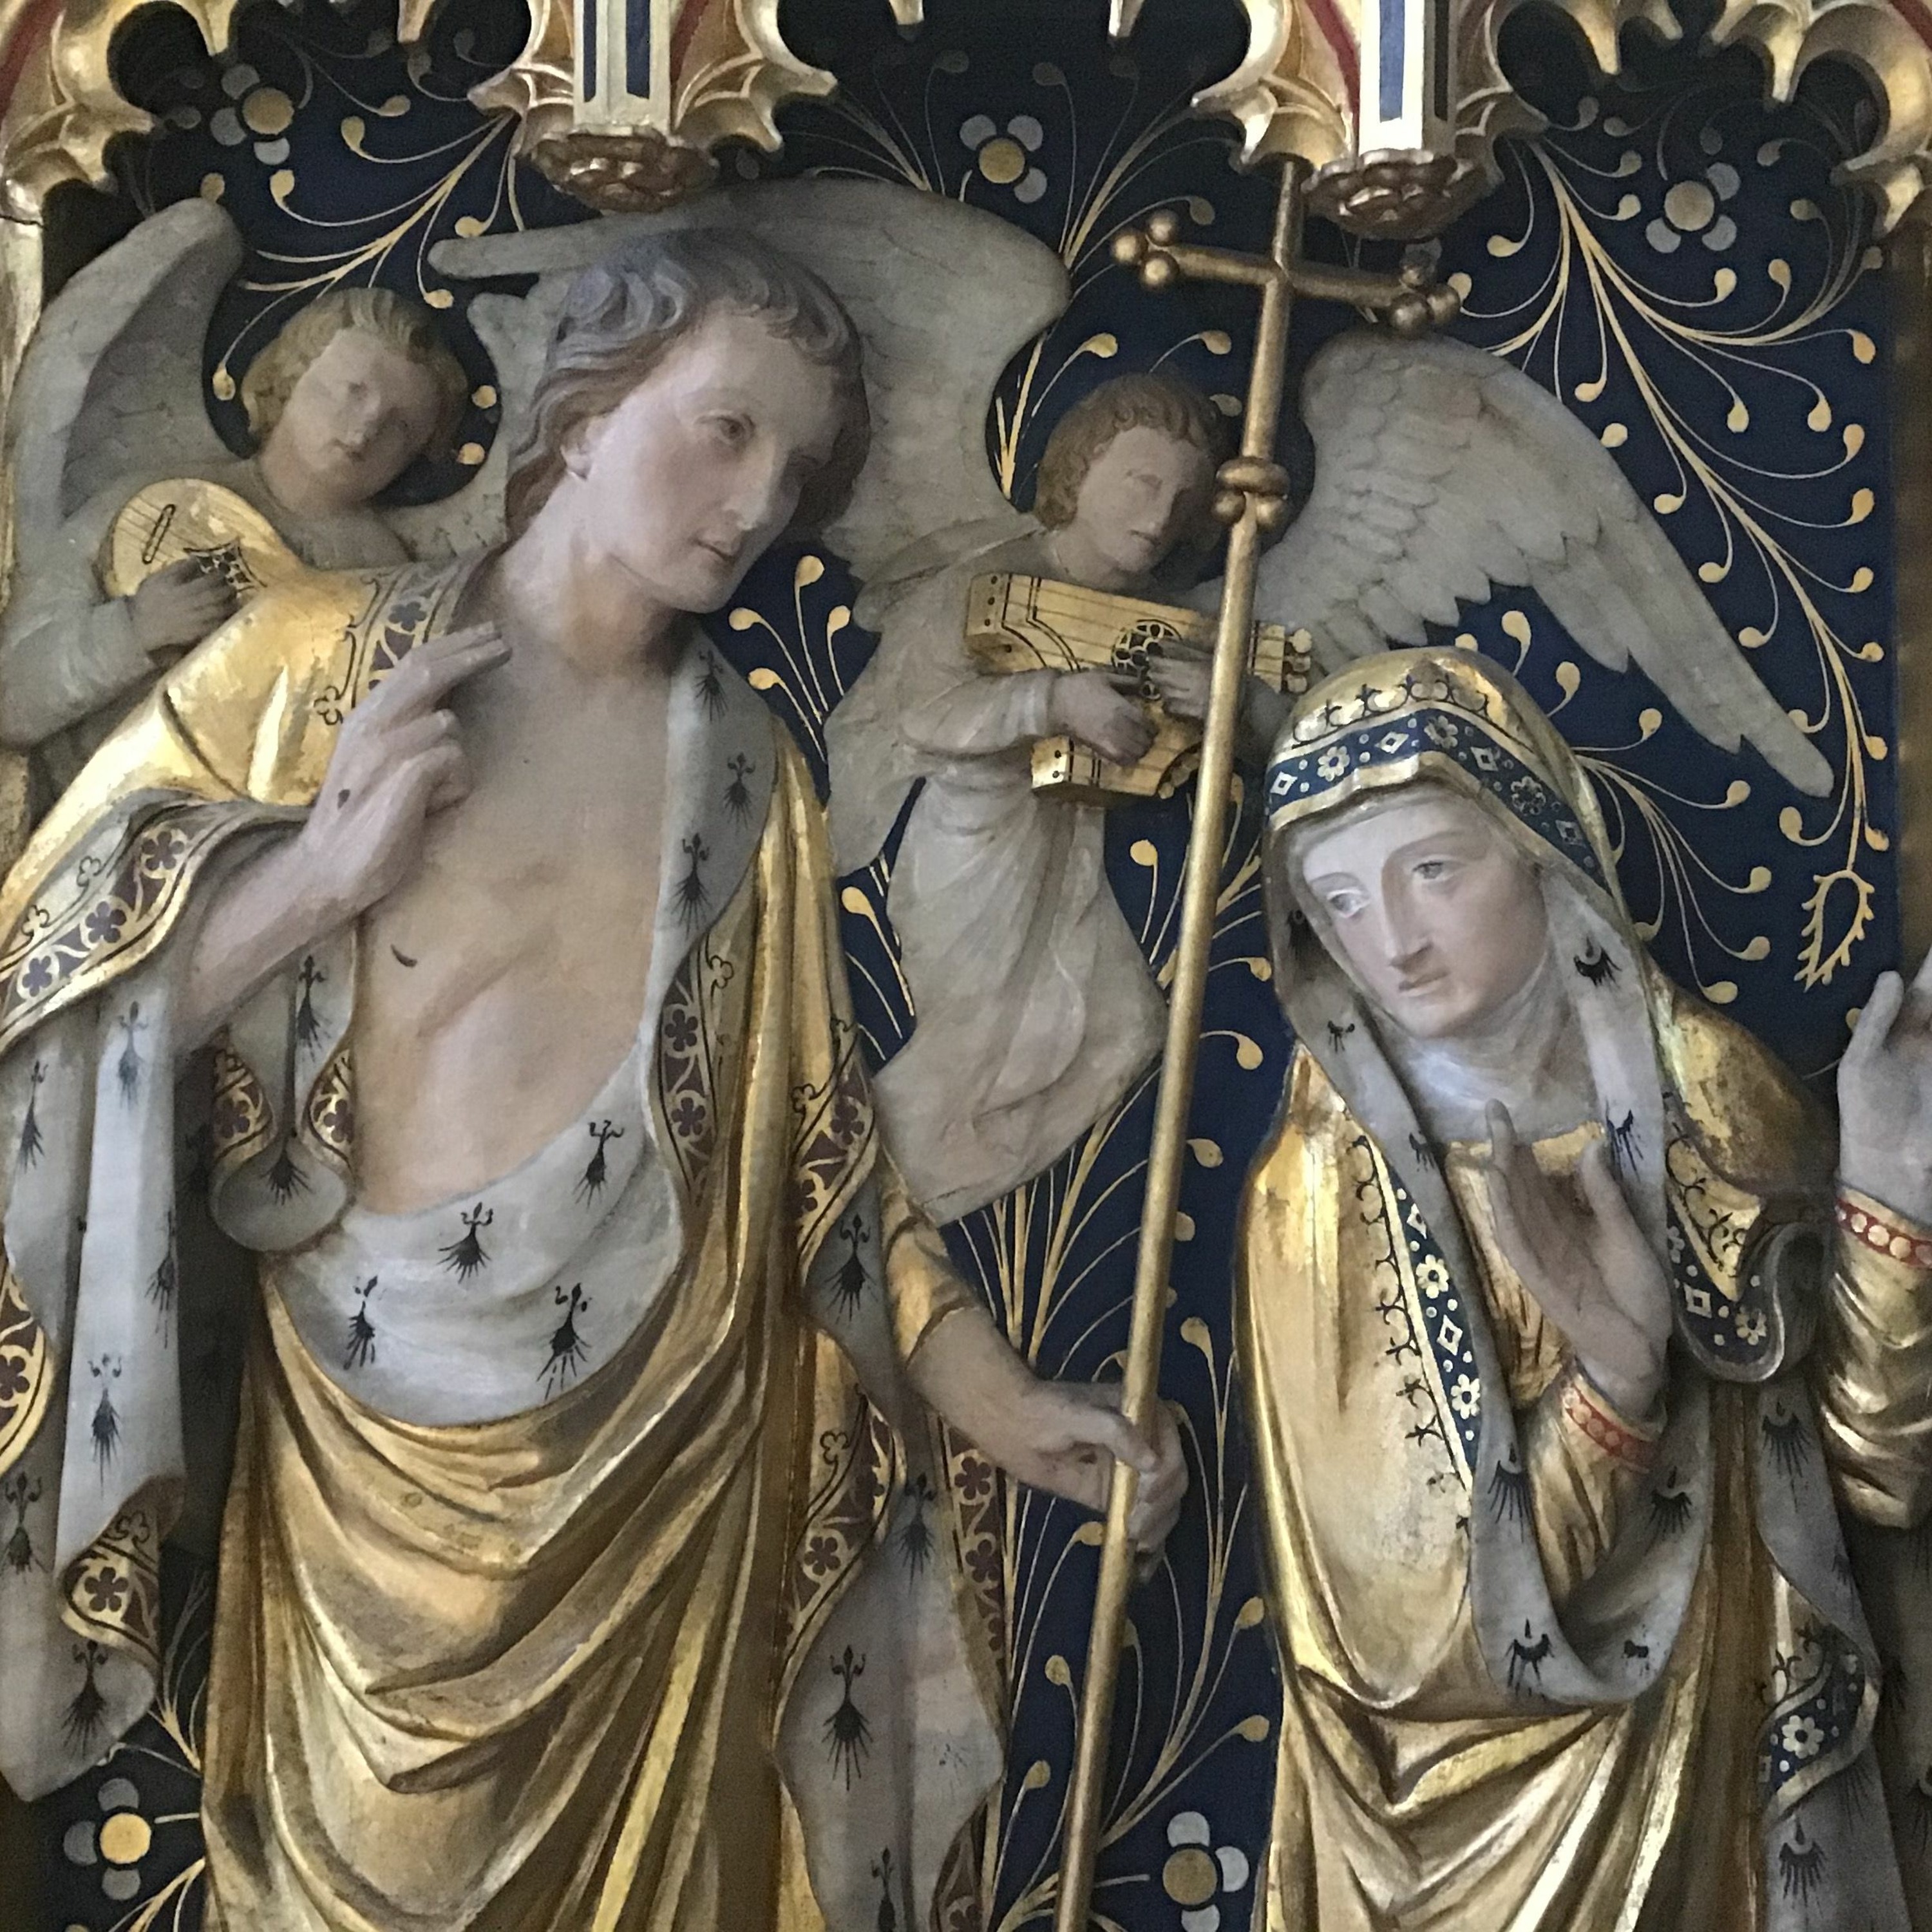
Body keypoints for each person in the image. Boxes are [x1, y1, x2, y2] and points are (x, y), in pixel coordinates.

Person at [0, 230, 1184, 1929]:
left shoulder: (748, 778)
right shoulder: (312, 665)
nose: (758, 499)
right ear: (585, 409)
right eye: (725, 428)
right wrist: (313, 884)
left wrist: (991, 1394)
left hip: (676, 1477)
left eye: (797, 471)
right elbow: (37, 1015)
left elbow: (821, 1163)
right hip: (359, 1477)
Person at [1242, 643, 1932, 1928]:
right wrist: (1615, 1387)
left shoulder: (1714, 1101)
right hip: (1444, 1836)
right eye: (1338, 901)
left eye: (1430, 870)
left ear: (1539, 847)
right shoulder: (1322, 1196)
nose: (1393, 942)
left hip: (1709, 1768)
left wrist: (1890, 1200)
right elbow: (1406, 1638)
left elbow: (1877, 1481)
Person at [826, 372, 1221, 1223]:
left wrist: (1227, 706)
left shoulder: (1155, 618)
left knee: (1119, 1030)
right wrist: (1051, 700)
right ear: (1079, 472)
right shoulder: (986, 578)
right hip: (969, 837)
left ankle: (906, 1211)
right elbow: (920, 710)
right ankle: (842, 1207)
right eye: (1141, 483)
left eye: (1184, 499)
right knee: (976, 1044)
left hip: (1064, 843)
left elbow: (1239, 734)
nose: (1160, 516)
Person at [0, 285, 468, 794]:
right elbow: (14, 699)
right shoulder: (153, 503)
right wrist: (133, 631)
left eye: (399, 428)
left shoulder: (390, 585)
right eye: (353, 392)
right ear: (291, 376)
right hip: (109, 808)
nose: (363, 431)